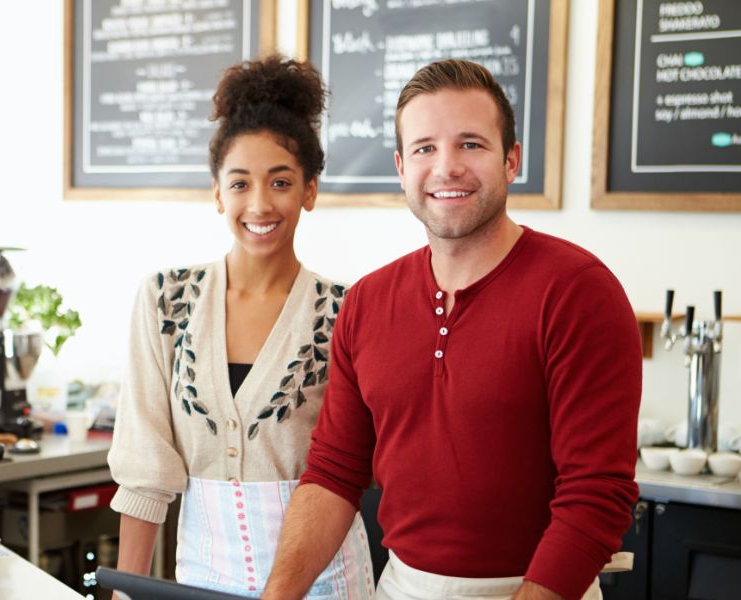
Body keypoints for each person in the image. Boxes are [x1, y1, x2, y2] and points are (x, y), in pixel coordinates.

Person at [261, 59, 642, 600]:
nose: (446, 167)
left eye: (471, 144)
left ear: (512, 160)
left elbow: (596, 493)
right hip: (401, 587)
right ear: (400, 167)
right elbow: (333, 473)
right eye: (424, 148)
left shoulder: (578, 291)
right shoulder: (367, 302)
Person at [107, 55, 374, 599]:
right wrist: (121, 594)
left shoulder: (347, 310)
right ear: (217, 193)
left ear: (310, 191)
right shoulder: (165, 301)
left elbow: (363, 465)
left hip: (324, 583)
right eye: (240, 183)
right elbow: (144, 472)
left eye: (281, 182)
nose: (259, 204)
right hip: (203, 578)